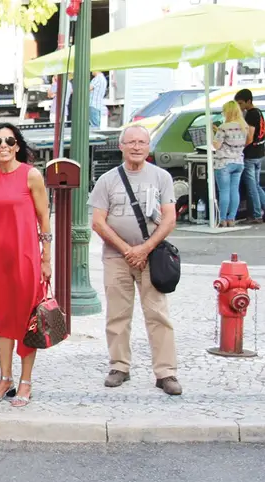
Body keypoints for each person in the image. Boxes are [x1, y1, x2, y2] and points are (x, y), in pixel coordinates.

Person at [89, 125, 182, 396]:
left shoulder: (161, 177)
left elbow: (169, 218)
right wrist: (128, 250)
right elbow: (98, 222)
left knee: (158, 314)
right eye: (131, 142)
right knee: (117, 314)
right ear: (121, 146)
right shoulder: (107, 180)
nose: (137, 147)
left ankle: (166, 372)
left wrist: (144, 249)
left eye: (142, 142)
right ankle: (119, 366)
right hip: (116, 257)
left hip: (152, 255)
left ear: (148, 146)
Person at [0, 122, 51, 408]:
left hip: (26, 258)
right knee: (2, 321)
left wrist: (47, 257)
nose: (3, 146)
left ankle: (25, 381)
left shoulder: (32, 175)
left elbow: (45, 218)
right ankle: (4, 377)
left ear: (17, 145)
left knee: (27, 320)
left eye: (9, 141)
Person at [213, 101, 248, 227]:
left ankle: (222, 219)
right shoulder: (244, 126)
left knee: (224, 191)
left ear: (227, 112)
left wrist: (215, 133)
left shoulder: (224, 127)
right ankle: (231, 219)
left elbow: (216, 145)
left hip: (224, 163)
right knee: (234, 191)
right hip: (238, 162)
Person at [235, 89, 265, 223]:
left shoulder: (251, 115)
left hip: (251, 155)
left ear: (248, 101)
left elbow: (250, 137)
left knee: (252, 186)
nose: (239, 107)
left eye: (241, 103)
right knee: (257, 185)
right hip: (260, 153)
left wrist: (239, 148)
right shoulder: (259, 113)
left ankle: (256, 215)